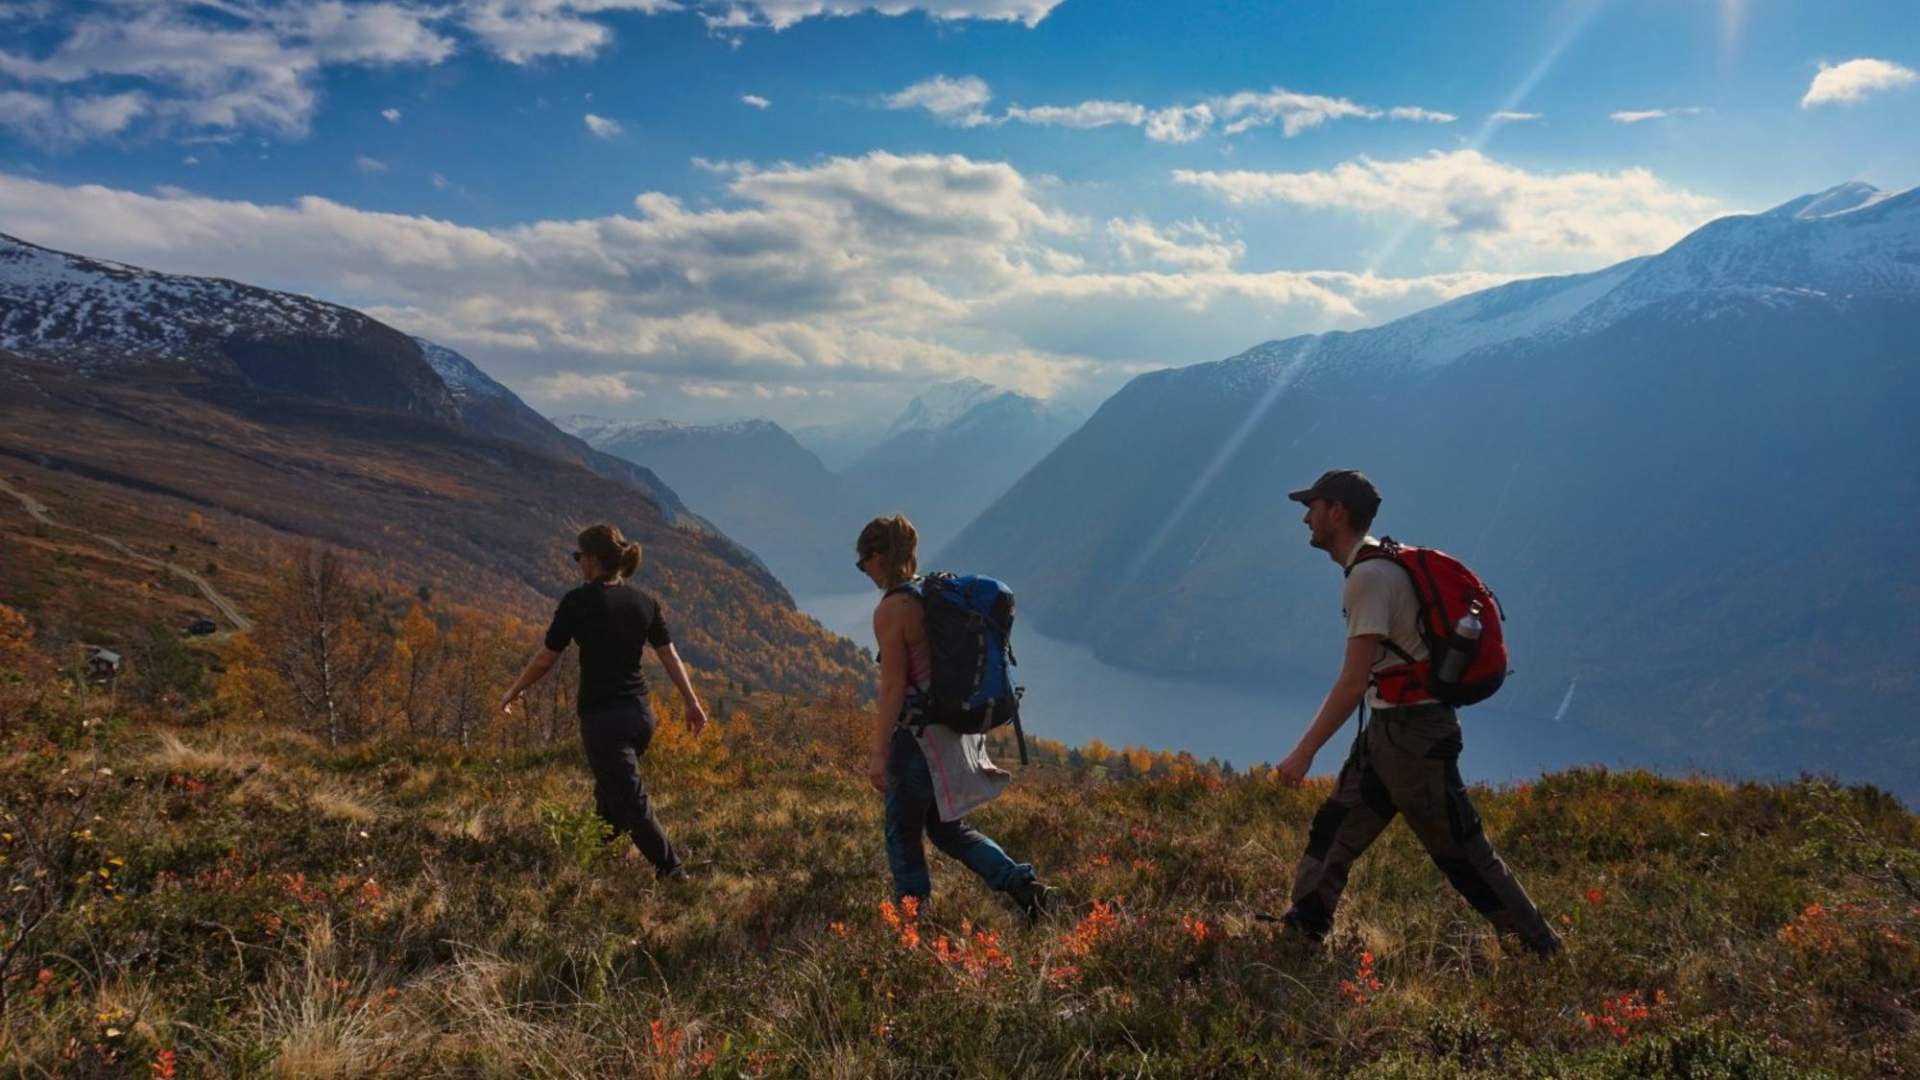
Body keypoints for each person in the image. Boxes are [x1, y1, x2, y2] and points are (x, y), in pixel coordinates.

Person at [1275, 470, 1561, 957]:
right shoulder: (1378, 567)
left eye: (1313, 506)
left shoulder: (1368, 578)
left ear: (1337, 512)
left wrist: (1303, 754)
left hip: (1412, 737)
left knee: (1462, 852)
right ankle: (1301, 935)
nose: (1306, 516)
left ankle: (1541, 952)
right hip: (1392, 728)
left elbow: (1352, 682)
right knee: (1335, 828)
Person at [857, 514, 1052, 921]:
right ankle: (1023, 885)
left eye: (864, 563)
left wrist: (878, 753)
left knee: (901, 832)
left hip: (917, 738)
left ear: (878, 558)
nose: (865, 572)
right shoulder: (932, 594)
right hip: (952, 729)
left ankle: (914, 924)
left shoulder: (893, 609)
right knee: (946, 828)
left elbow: (893, 687)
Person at [500, 523, 710, 881]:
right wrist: (691, 702)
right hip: (641, 717)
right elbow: (670, 656)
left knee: (630, 798)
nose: (577, 562)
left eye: (579, 556)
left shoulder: (577, 602)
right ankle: (593, 857)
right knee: (611, 789)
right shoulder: (645, 602)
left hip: (603, 719)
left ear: (594, 560)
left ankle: (672, 870)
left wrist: (515, 689)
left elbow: (546, 658)